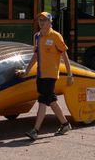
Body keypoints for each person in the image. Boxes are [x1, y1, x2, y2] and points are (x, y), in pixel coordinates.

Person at [15, 11, 74, 140]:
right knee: (51, 100)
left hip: (51, 74)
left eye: (44, 20)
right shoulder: (37, 36)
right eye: (40, 20)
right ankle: (65, 124)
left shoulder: (56, 36)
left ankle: (35, 130)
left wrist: (70, 74)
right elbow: (35, 56)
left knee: (42, 100)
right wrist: (26, 70)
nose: (41, 22)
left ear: (50, 22)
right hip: (40, 74)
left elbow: (64, 55)